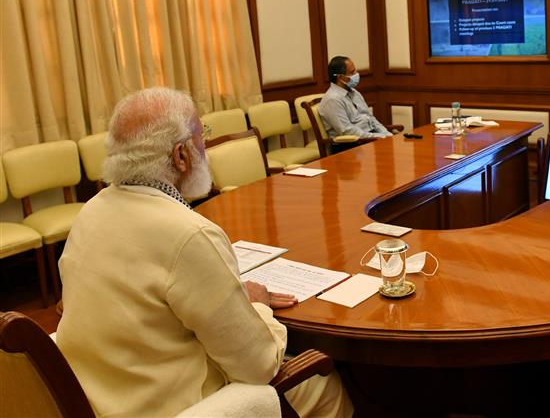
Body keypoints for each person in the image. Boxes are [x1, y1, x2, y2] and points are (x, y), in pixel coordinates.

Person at [56, 87, 353, 417]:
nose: (206, 147)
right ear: (181, 156)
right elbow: (258, 365)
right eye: (202, 134)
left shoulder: (90, 212)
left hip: (95, 397)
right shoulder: (188, 233)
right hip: (177, 406)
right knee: (325, 384)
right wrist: (257, 306)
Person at [318, 56, 393, 143]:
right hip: (350, 145)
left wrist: (386, 134)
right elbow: (347, 131)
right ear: (340, 77)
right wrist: (378, 137)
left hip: (369, 138)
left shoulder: (354, 93)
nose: (357, 74)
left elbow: (370, 118)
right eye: (352, 72)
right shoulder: (332, 100)